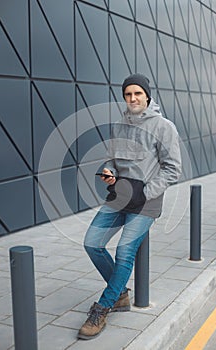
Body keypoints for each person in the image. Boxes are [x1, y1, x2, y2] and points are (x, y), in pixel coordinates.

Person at [77, 73, 182, 340]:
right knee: (92, 242)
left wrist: (146, 192)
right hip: (119, 195)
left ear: (147, 95)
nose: (133, 98)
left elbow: (173, 169)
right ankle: (120, 294)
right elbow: (113, 159)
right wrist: (109, 171)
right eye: (128, 94)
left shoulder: (163, 126)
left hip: (146, 201)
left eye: (137, 93)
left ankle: (104, 306)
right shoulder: (119, 125)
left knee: (124, 251)